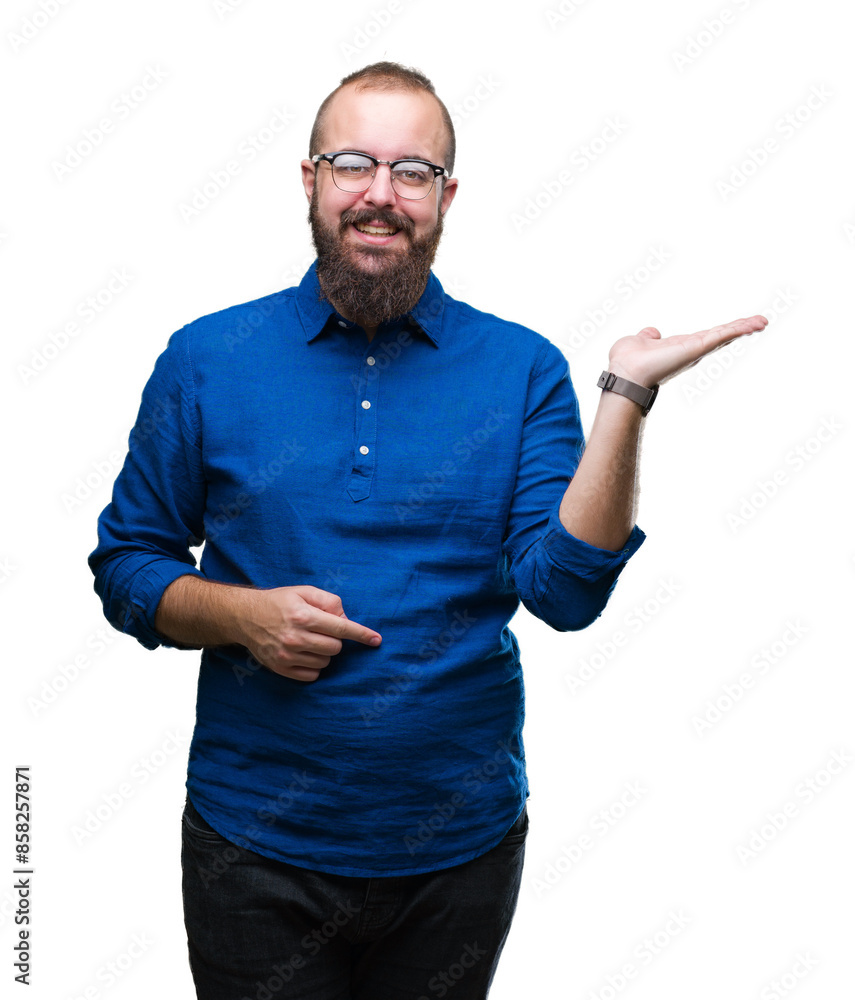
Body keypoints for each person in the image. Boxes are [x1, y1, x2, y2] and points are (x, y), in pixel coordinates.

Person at [88, 61, 767, 999]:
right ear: (310, 180)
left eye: (413, 172)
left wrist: (625, 395)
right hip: (250, 850)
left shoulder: (521, 369)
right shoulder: (207, 358)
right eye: (353, 162)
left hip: (458, 854)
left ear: (446, 196)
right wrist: (241, 617)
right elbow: (125, 566)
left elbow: (564, 593)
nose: (380, 193)